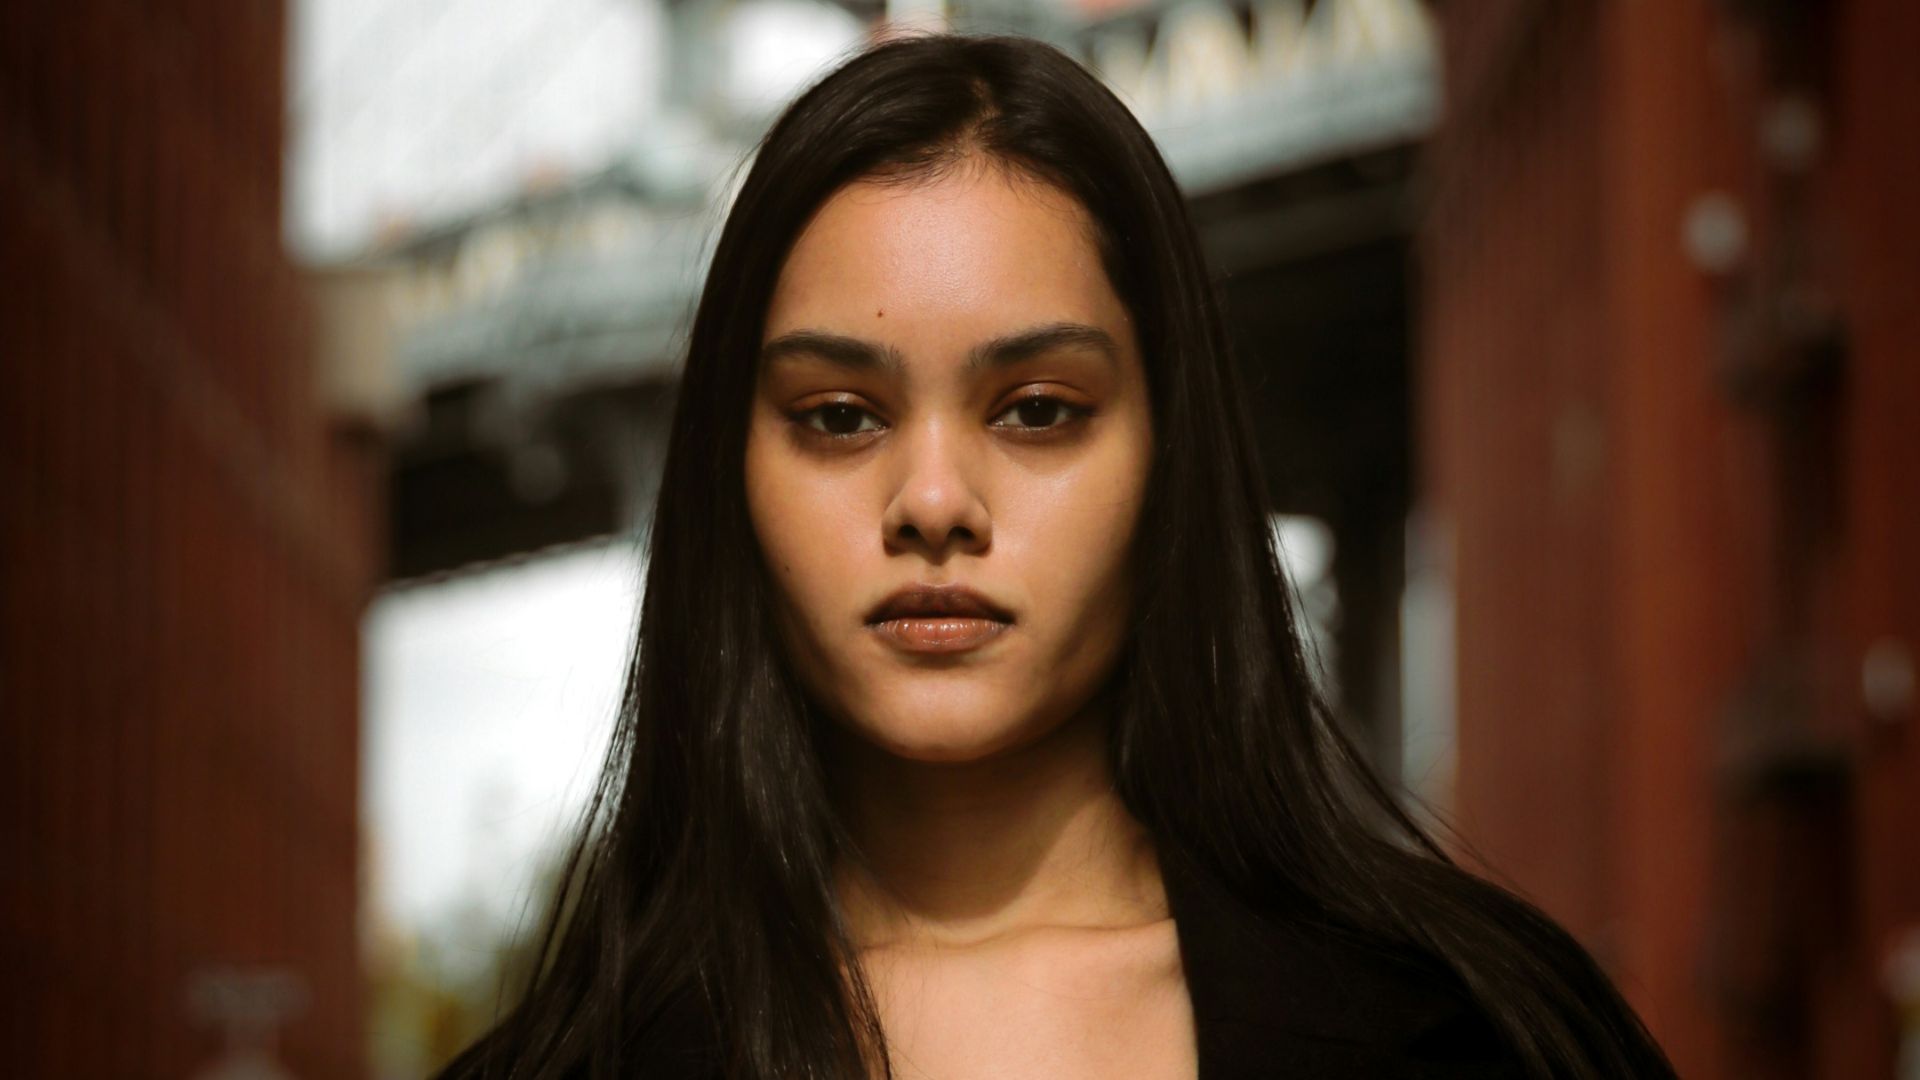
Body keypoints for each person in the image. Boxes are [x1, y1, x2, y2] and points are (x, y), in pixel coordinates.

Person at [439, 32, 1674, 1080]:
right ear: (730, 479)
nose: (932, 501)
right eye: (838, 417)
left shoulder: (1478, 1036)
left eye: (1036, 410)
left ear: (1168, 463)